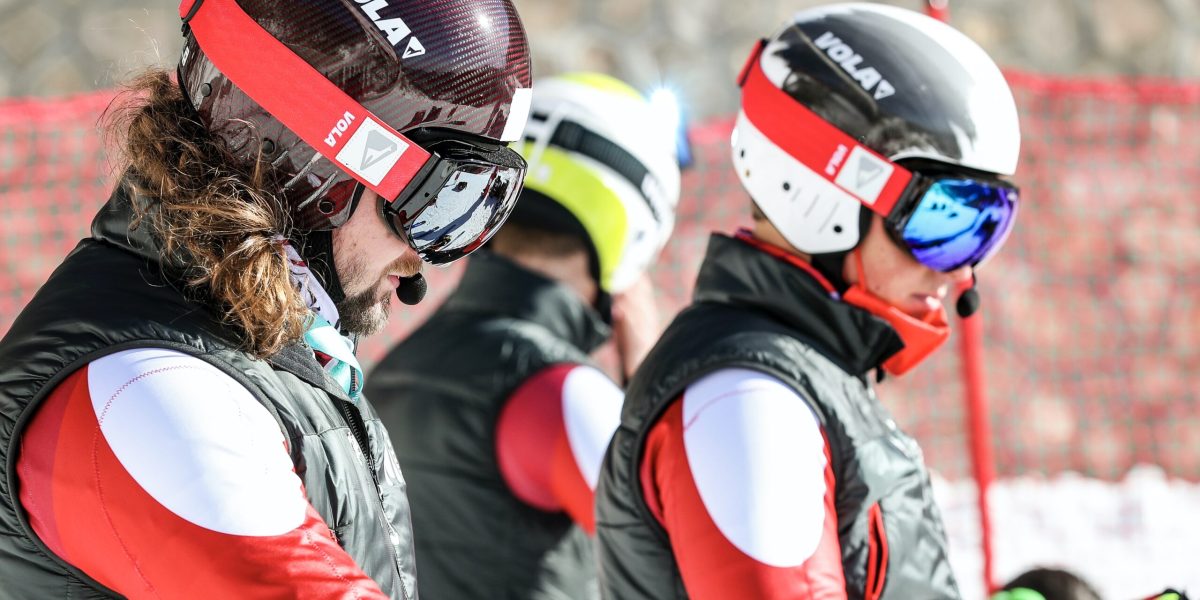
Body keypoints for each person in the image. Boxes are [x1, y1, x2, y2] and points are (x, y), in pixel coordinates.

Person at [0, 0, 532, 597]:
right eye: (438, 207)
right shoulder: (150, 392)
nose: (418, 273)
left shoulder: (264, 356)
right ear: (318, 166)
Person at [594, 4, 1022, 599]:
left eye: (985, 228)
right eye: (942, 220)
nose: (959, 269)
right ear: (824, 192)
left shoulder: (807, 376)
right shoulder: (747, 402)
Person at [364, 72, 682, 599]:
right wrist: (650, 386)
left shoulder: (394, 367)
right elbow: (687, 565)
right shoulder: (559, 392)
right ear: (637, 230)